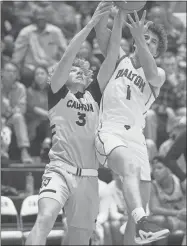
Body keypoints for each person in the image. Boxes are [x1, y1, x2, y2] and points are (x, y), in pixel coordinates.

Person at [25, 2, 115, 245]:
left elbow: (112, 58)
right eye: (70, 70)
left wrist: (117, 23)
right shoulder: (57, 93)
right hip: (60, 169)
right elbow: (68, 55)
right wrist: (91, 24)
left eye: (80, 70)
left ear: (87, 78)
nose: (75, 71)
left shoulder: (94, 96)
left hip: (89, 176)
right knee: (44, 219)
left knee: (79, 238)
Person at [95, 7, 170, 245]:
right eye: (144, 36)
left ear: (157, 52)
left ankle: (140, 223)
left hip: (136, 137)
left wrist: (139, 35)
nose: (146, 40)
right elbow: (99, 29)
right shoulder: (118, 58)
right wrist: (113, 8)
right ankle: (142, 221)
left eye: (152, 41)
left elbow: (151, 73)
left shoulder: (158, 73)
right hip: (109, 129)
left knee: (138, 211)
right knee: (129, 170)